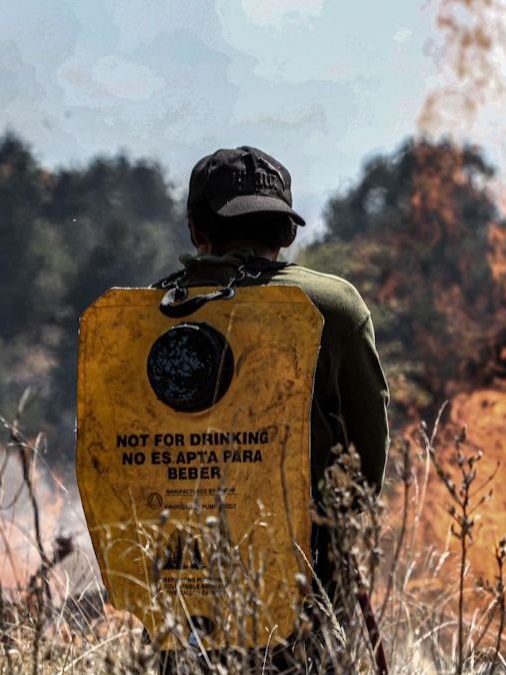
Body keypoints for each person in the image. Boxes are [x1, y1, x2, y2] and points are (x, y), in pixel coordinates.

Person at [152, 146, 390, 667]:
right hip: (306, 589)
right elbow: (366, 464)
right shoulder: (332, 307)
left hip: (177, 592)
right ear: (286, 233)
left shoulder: (144, 312)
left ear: (196, 230)